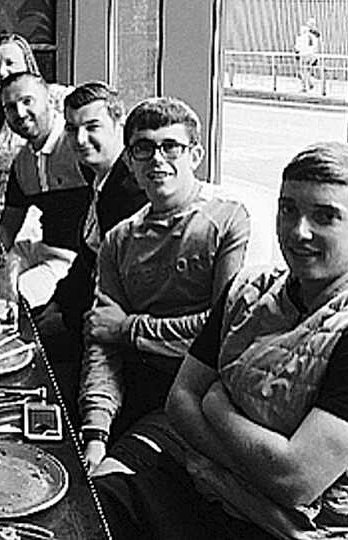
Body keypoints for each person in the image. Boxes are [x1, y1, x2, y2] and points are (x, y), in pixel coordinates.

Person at [95, 141, 348, 540]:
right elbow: (179, 401)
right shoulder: (249, 287)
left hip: (283, 529)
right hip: (205, 487)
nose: (299, 231)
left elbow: (294, 480)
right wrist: (255, 462)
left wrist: (215, 405)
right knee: (81, 510)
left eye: (325, 216)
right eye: (288, 209)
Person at [77, 97, 250, 471]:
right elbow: (102, 342)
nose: (157, 159)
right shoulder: (118, 240)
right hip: (135, 388)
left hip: (203, 399)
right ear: (129, 161)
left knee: (115, 483)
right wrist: (95, 432)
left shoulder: (228, 220)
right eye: (144, 148)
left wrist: (128, 329)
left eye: (171, 146)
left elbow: (221, 333)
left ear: (195, 155)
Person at [36, 82, 147, 339]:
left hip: (112, 326)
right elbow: (87, 258)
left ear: (120, 125)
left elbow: (117, 285)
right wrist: (57, 302)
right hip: (82, 307)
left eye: (92, 127)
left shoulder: (131, 190)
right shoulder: (95, 175)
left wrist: (66, 320)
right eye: (72, 129)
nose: (80, 139)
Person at [0, 72, 90, 308]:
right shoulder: (22, 161)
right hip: (40, 248)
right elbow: (8, 226)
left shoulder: (78, 146)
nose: (19, 113)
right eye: (10, 107)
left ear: (49, 100)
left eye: (27, 101)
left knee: (16, 293)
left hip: (73, 260)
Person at [0, 32, 73, 218]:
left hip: (50, 199)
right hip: (6, 208)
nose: (2, 71)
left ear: (27, 63)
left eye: (10, 63)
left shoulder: (56, 96)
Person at [294, 20, 320, 92]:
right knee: (308, 70)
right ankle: (309, 83)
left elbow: (297, 47)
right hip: (312, 55)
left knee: (302, 71)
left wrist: (297, 54)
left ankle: (305, 86)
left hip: (304, 55)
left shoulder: (301, 37)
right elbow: (315, 47)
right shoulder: (313, 37)